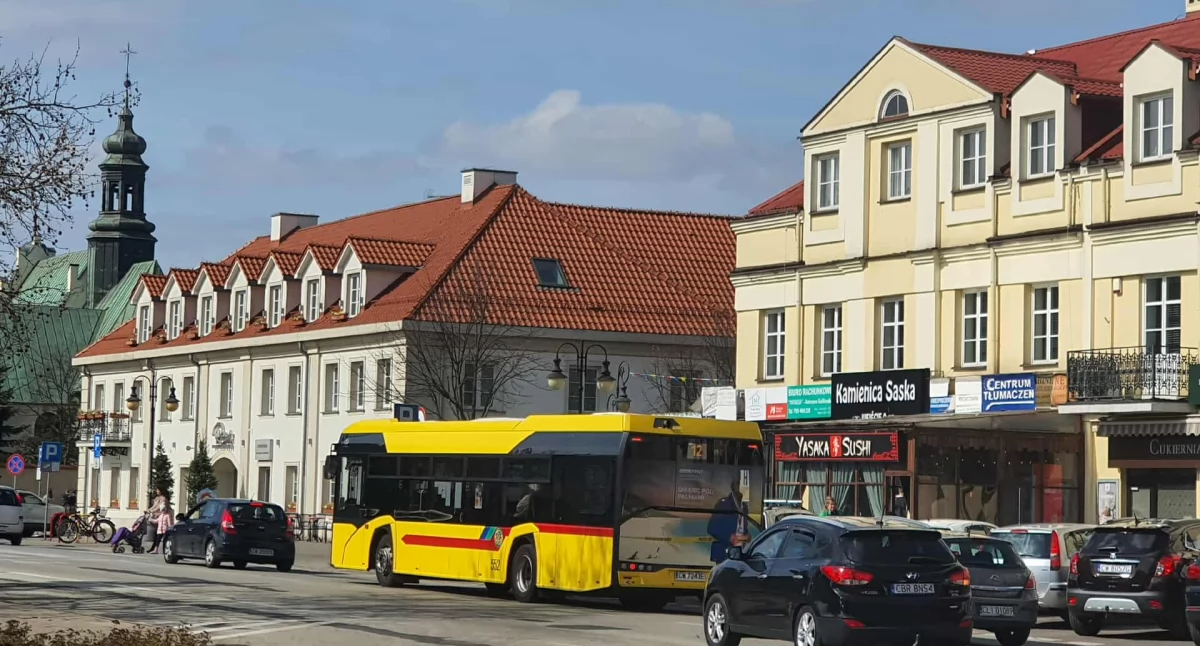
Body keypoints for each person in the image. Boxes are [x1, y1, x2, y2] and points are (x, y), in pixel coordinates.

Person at [706, 480, 750, 564]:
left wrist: (747, 535)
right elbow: (712, 528)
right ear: (733, 488)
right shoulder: (724, 504)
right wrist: (729, 537)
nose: (742, 489)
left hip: (739, 552)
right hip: (725, 551)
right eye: (740, 486)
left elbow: (740, 527)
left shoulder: (744, 506)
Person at [147, 488, 168, 553]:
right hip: (156, 517)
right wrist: (148, 510)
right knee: (156, 534)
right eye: (156, 490)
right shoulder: (157, 498)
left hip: (160, 516)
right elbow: (154, 506)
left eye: (158, 490)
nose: (157, 491)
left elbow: (159, 507)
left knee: (158, 534)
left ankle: (155, 548)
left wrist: (151, 511)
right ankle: (154, 548)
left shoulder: (163, 499)